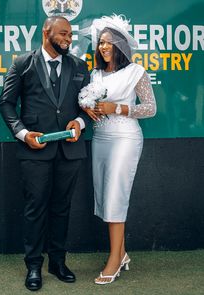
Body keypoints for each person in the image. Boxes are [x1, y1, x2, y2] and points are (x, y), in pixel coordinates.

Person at [0, 16, 90, 291]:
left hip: (70, 151)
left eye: (71, 35)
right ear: (46, 32)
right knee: (35, 209)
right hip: (34, 151)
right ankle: (34, 266)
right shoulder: (22, 63)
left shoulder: (80, 66)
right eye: (63, 33)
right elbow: (6, 103)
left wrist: (81, 122)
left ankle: (58, 263)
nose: (68, 39)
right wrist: (23, 133)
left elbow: (88, 106)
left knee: (62, 208)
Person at [81, 14, 157, 284]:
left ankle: (113, 259)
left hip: (125, 138)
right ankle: (122, 253)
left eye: (109, 43)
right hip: (101, 138)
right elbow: (89, 102)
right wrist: (87, 107)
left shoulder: (136, 72)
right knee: (104, 195)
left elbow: (150, 108)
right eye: (101, 42)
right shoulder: (96, 73)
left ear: (121, 46)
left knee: (115, 195)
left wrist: (120, 108)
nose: (103, 47)